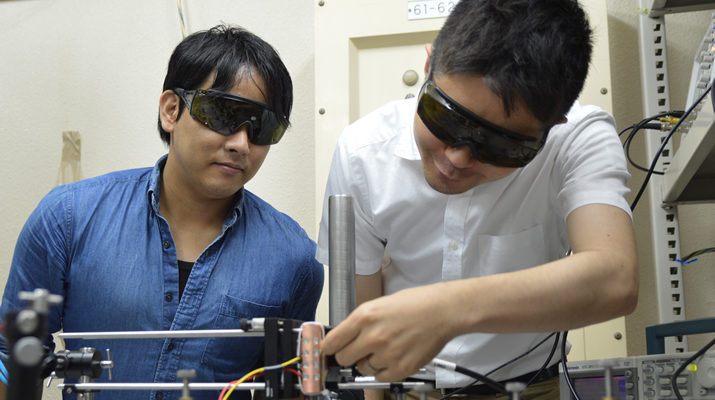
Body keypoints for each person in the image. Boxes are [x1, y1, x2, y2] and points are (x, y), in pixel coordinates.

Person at [317, 1, 638, 400]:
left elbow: (617, 278)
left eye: (501, 145)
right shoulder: (361, 154)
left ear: (554, 125)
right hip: (406, 389)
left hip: (529, 388)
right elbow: (360, 340)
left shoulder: (579, 140)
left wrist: (445, 310)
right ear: (430, 65)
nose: (458, 158)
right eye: (446, 118)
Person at [0, 24, 323, 400]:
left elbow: (291, 385)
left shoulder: (296, 259)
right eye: (223, 114)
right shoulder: (68, 218)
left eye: (263, 127)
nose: (241, 144)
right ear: (171, 110)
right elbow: (13, 355)